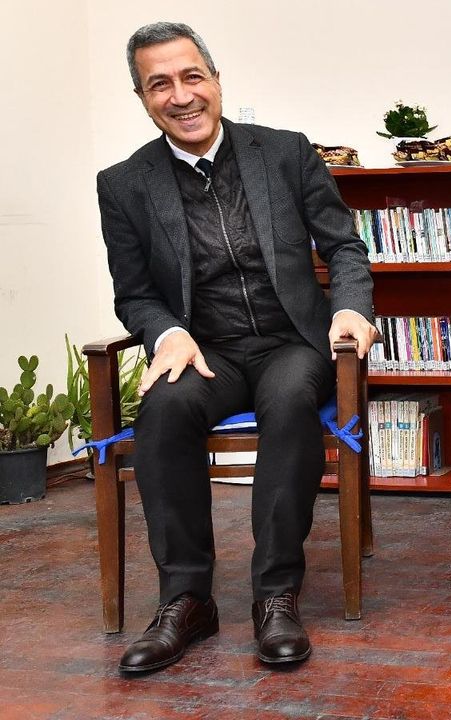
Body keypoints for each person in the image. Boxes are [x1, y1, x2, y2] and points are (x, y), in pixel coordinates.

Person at [98, 21, 377, 673]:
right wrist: (166, 333)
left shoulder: (284, 152)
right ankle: (187, 599)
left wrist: (350, 309)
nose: (181, 95)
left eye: (191, 76)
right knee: (163, 408)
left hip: (291, 341)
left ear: (216, 81)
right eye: (159, 84)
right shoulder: (124, 183)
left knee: (290, 400)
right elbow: (134, 293)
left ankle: (275, 595)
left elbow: (344, 246)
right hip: (205, 351)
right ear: (142, 98)